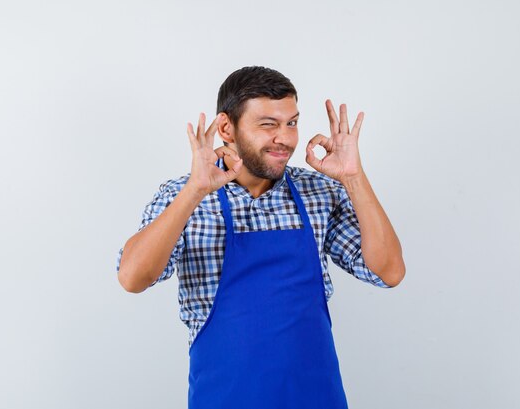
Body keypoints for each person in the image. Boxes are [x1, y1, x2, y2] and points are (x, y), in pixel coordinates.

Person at [116, 66, 406, 409]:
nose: (284, 138)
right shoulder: (184, 196)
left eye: (292, 123)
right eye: (268, 125)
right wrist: (194, 191)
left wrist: (354, 178)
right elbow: (132, 278)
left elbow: (389, 272)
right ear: (227, 128)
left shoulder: (318, 192)